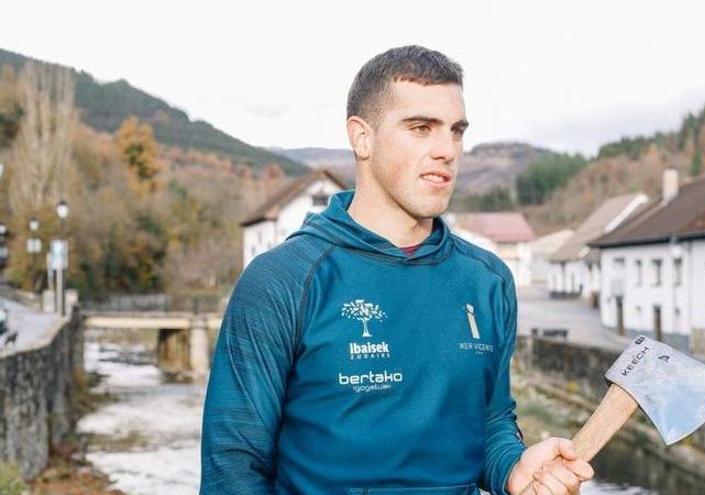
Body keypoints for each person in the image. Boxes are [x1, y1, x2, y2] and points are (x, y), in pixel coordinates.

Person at [200, 45, 594, 495]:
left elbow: (490, 421)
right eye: (421, 128)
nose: (446, 150)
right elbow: (232, 471)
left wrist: (512, 470)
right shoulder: (282, 280)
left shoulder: (487, 280)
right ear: (361, 137)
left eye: (456, 131)